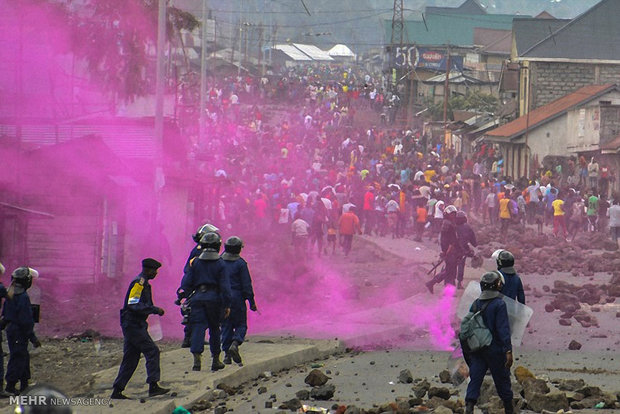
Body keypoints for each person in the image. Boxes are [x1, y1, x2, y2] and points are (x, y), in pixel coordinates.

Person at [111, 259, 169, 399]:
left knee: (131, 357)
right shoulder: (139, 283)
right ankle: (153, 386)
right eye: (154, 270)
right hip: (133, 325)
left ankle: (117, 390)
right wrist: (155, 309)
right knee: (152, 351)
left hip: (134, 324)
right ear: (148, 270)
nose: (155, 273)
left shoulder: (143, 283)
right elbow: (133, 304)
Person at [462, 271, 513, 414]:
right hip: (494, 350)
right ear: (497, 285)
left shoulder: (476, 303)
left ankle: (469, 407)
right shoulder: (499, 304)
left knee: (475, 378)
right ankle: (509, 408)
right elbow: (503, 329)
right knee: (502, 379)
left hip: (477, 348)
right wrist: (508, 350)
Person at [179, 233, 231, 372]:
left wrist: (187, 296)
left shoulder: (195, 262)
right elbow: (225, 286)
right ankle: (215, 360)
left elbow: (186, 282)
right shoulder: (220, 263)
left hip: (197, 299)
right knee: (215, 329)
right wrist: (227, 304)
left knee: (198, 327)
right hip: (214, 300)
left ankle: (197, 360)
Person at [180, 223, 220, 348]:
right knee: (196, 314)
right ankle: (190, 339)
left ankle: (191, 339)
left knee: (194, 313)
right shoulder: (200, 251)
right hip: (197, 285)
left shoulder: (199, 249)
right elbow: (191, 269)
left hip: (195, 284)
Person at [2, 267, 41, 395]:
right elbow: (26, 321)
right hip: (19, 331)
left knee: (23, 356)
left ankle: (24, 383)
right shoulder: (23, 297)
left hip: (12, 330)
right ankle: (10, 386)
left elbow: (5, 315)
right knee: (18, 357)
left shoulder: (11, 294)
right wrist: (33, 338)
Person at [221, 237, 257, 366]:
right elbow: (246, 284)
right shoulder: (241, 264)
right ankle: (235, 343)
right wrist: (251, 301)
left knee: (225, 325)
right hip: (237, 297)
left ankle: (226, 355)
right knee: (241, 324)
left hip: (222, 298)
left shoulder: (219, 261)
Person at [426, 205, 461, 292]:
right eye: (451, 214)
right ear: (447, 214)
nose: (453, 216)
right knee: (450, 272)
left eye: (454, 214)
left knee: (449, 271)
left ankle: (432, 283)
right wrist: (447, 251)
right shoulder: (448, 224)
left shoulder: (447, 223)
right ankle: (436, 284)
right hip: (450, 252)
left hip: (450, 251)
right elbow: (449, 241)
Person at [455, 211, 477, 290]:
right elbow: (473, 239)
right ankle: (459, 283)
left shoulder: (453, 226)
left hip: (452, 249)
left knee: (450, 266)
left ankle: (438, 279)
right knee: (461, 266)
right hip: (463, 250)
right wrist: (474, 245)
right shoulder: (467, 227)